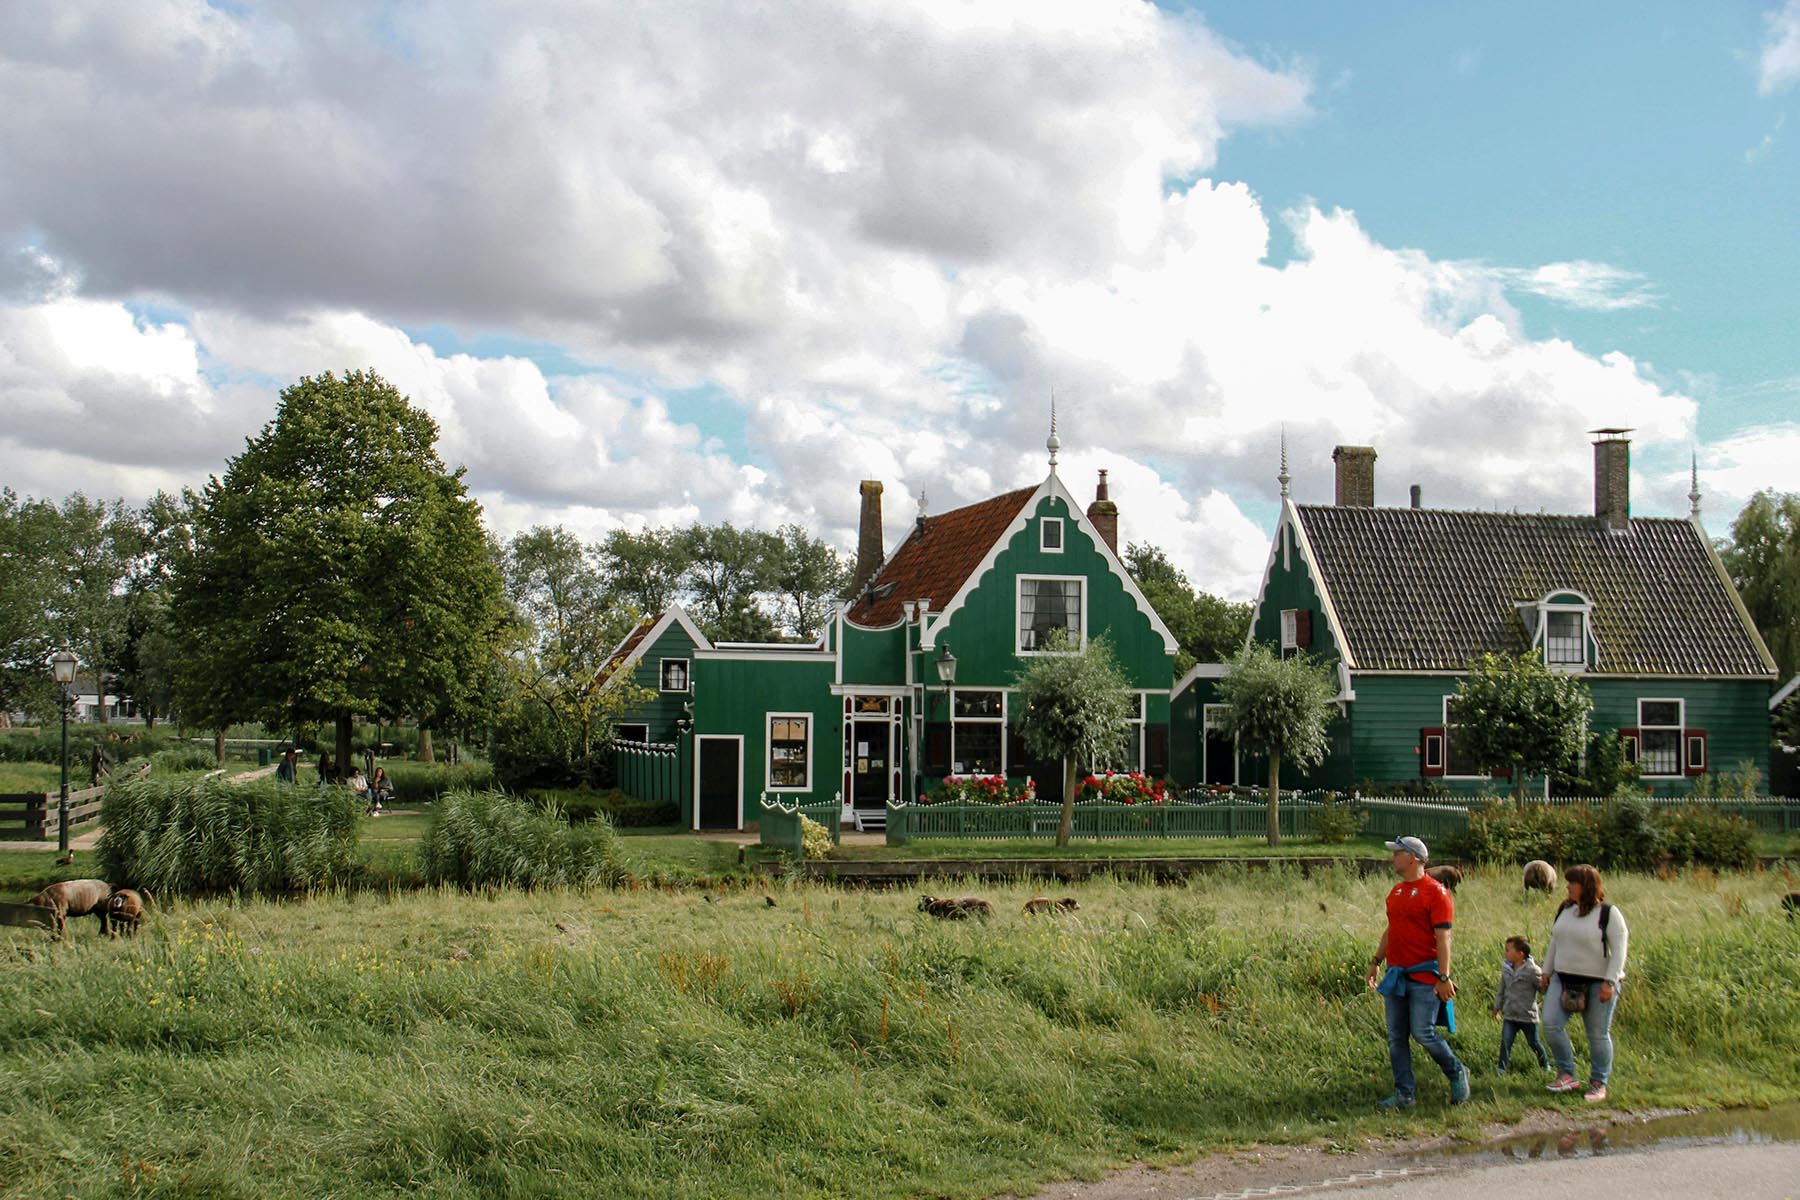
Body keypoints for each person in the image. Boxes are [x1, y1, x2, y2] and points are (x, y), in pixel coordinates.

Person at [1365, 835, 1470, 1109]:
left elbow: (1443, 938)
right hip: (1397, 976)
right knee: (1396, 1037)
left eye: (1397, 853)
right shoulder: (1396, 893)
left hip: (1425, 977)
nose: (1393, 858)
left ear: (1414, 857)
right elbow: (1392, 929)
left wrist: (1444, 977)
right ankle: (1404, 1094)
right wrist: (1376, 960)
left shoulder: (1436, 893)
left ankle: (1456, 1071)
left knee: (1423, 1032)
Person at [1538, 864, 1629, 1104]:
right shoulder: (1566, 910)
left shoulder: (1608, 914)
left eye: (1572, 883)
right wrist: (1546, 971)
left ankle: (1599, 1082)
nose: (1567, 886)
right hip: (1563, 978)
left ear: (1586, 886)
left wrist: (1610, 981)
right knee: (1550, 1023)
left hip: (1598, 982)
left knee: (1597, 1035)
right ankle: (1567, 1074)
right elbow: (1555, 942)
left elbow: (1619, 951)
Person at [1491, 935, 1549, 1073]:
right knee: (1506, 1042)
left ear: (1520, 954)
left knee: (1533, 1042)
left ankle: (1545, 1065)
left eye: (1508, 950)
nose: (1506, 953)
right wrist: (1497, 1008)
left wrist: (1545, 983)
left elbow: (1542, 989)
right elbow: (1502, 990)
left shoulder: (1533, 971)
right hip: (1510, 1014)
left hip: (1527, 1015)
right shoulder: (1506, 970)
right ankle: (1501, 1069)